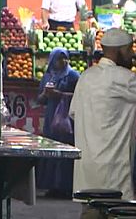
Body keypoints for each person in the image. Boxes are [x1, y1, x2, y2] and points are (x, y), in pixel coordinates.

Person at [70, 29, 136, 200]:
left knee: (90, 210)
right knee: (115, 209)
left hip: (86, 166)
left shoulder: (86, 77)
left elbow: (73, 112)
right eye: (129, 50)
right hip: (112, 166)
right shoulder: (122, 78)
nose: (133, 54)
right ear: (119, 50)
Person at [36, 47, 79, 197]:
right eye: (59, 58)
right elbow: (40, 100)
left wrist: (60, 95)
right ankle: (52, 186)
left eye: (65, 58)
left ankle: (66, 187)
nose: (63, 61)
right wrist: (46, 94)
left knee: (66, 152)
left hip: (67, 120)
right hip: (51, 118)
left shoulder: (73, 76)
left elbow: (80, 96)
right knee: (51, 151)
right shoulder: (48, 76)